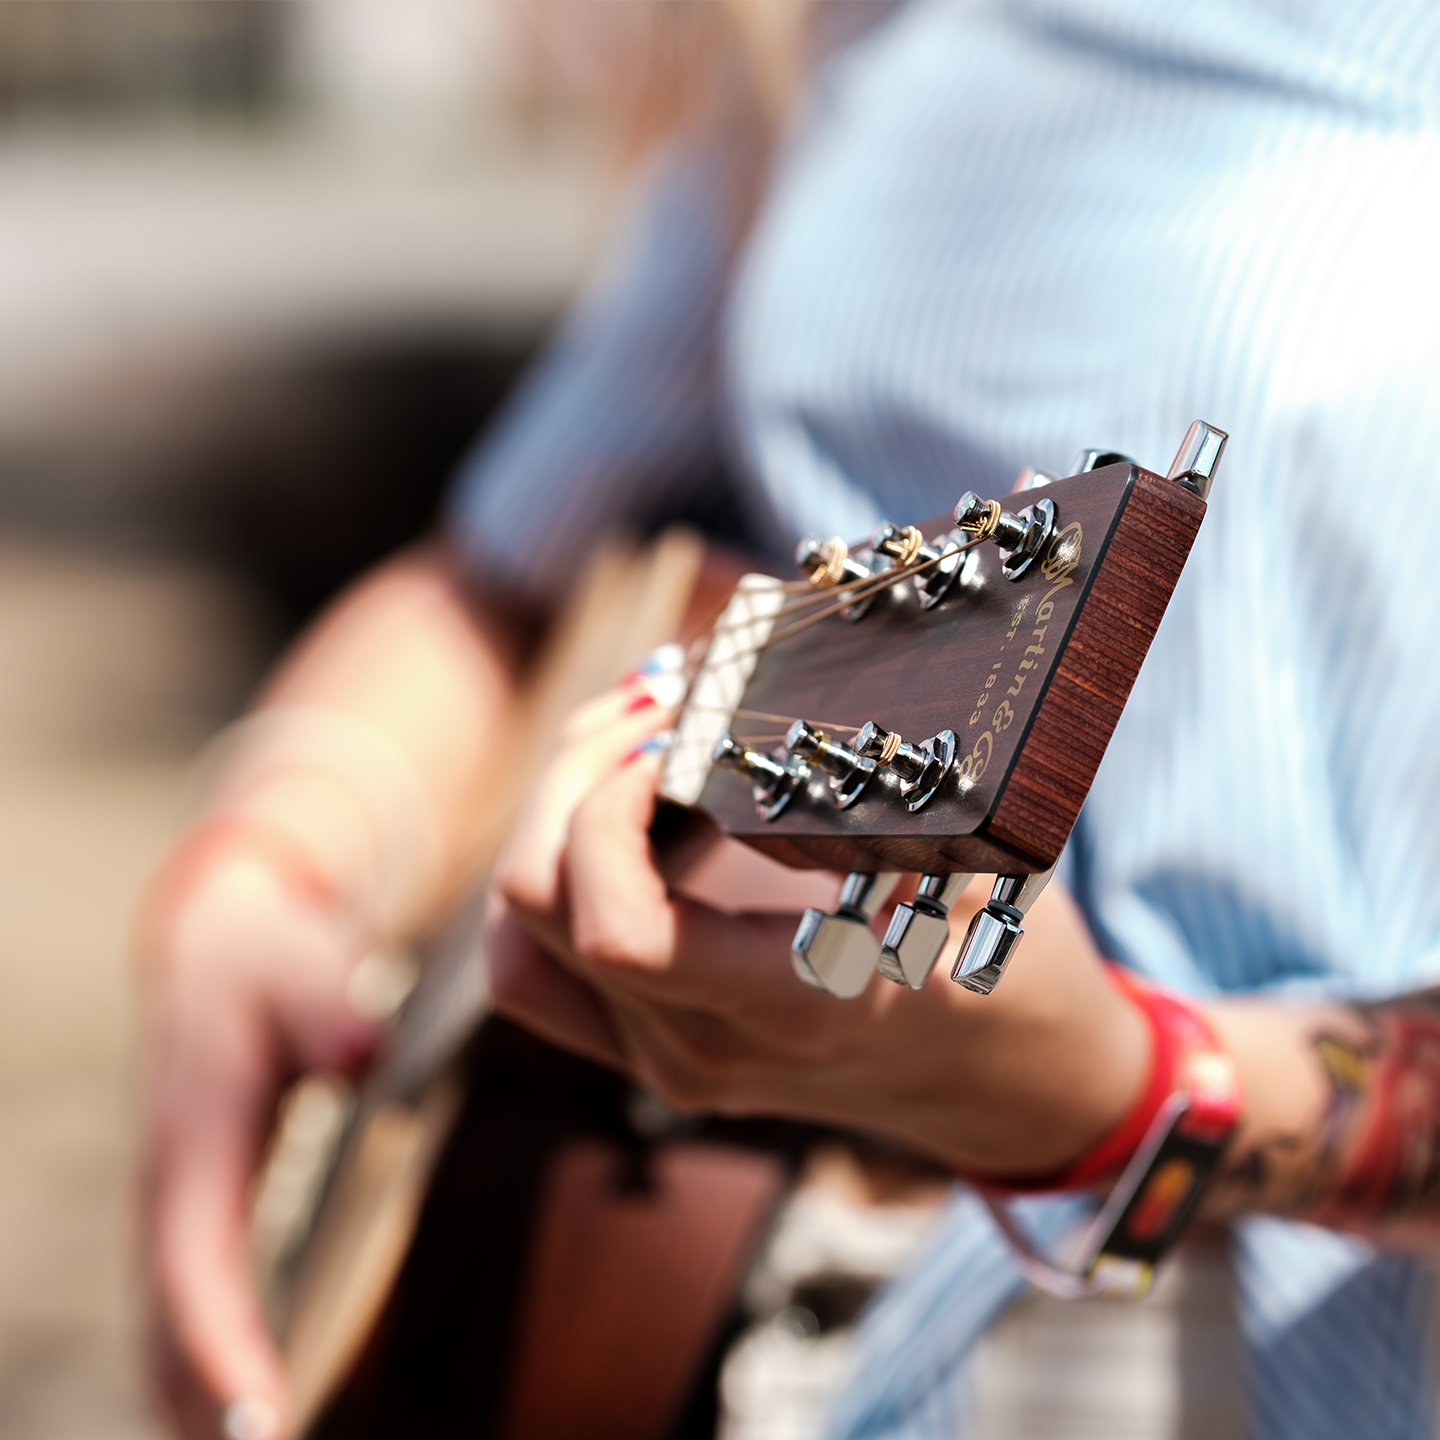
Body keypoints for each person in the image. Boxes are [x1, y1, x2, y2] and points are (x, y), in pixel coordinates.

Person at [139, 2, 1440, 1437]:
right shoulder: (842, 41)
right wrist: (266, 869)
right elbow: (500, 585)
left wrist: (1135, 1097)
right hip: (764, 1340)